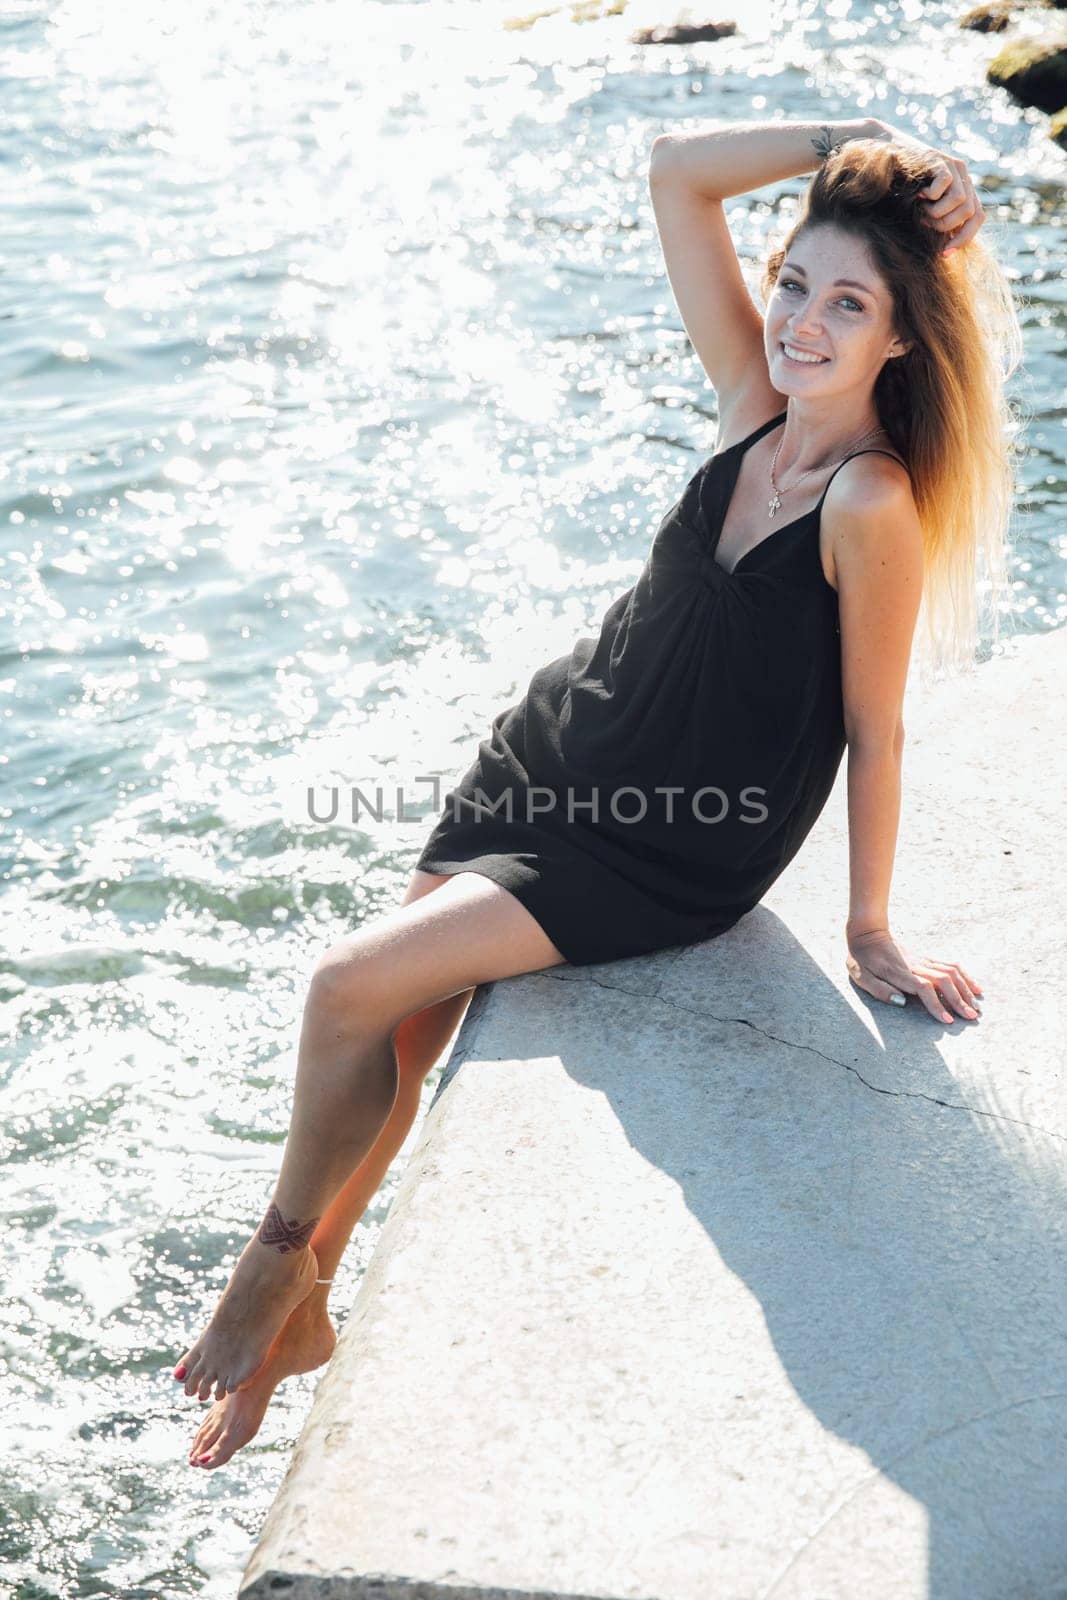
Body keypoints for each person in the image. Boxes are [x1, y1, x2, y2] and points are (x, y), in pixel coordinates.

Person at [175, 114, 1021, 1467]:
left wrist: (869, 926)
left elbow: (877, 724)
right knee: (396, 1029)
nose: (801, 320)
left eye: (845, 305)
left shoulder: (870, 503)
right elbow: (676, 168)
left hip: (665, 845)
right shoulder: (759, 407)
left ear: (903, 339)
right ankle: (300, 1321)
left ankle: (269, 1269)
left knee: (343, 984)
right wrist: (855, 136)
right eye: (794, 282)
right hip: (555, 746)